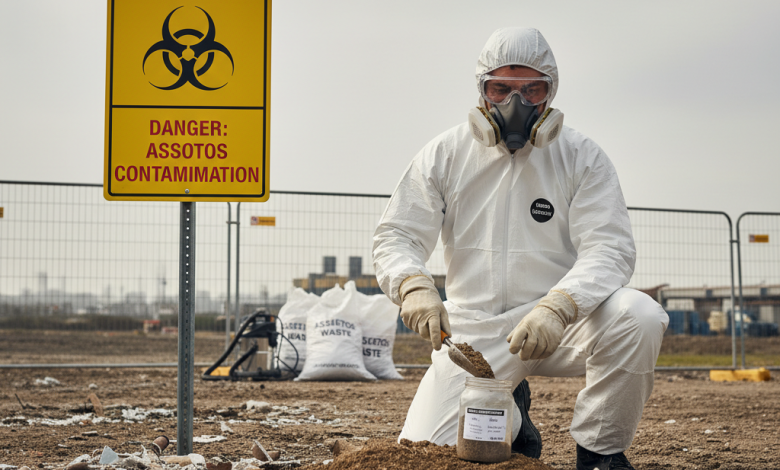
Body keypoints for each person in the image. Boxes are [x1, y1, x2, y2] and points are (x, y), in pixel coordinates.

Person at [372, 27, 669, 470]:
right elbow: (397, 234)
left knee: (639, 317)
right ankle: (511, 414)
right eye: (502, 89)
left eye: (532, 90)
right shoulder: (446, 154)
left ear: (550, 93)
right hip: (477, 334)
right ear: (482, 92)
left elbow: (610, 248)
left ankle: (600, 451)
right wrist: (413, 285)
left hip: (563, 323)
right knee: (432, 452)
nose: (517, 104)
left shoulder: (581, 157)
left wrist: (560, 306)